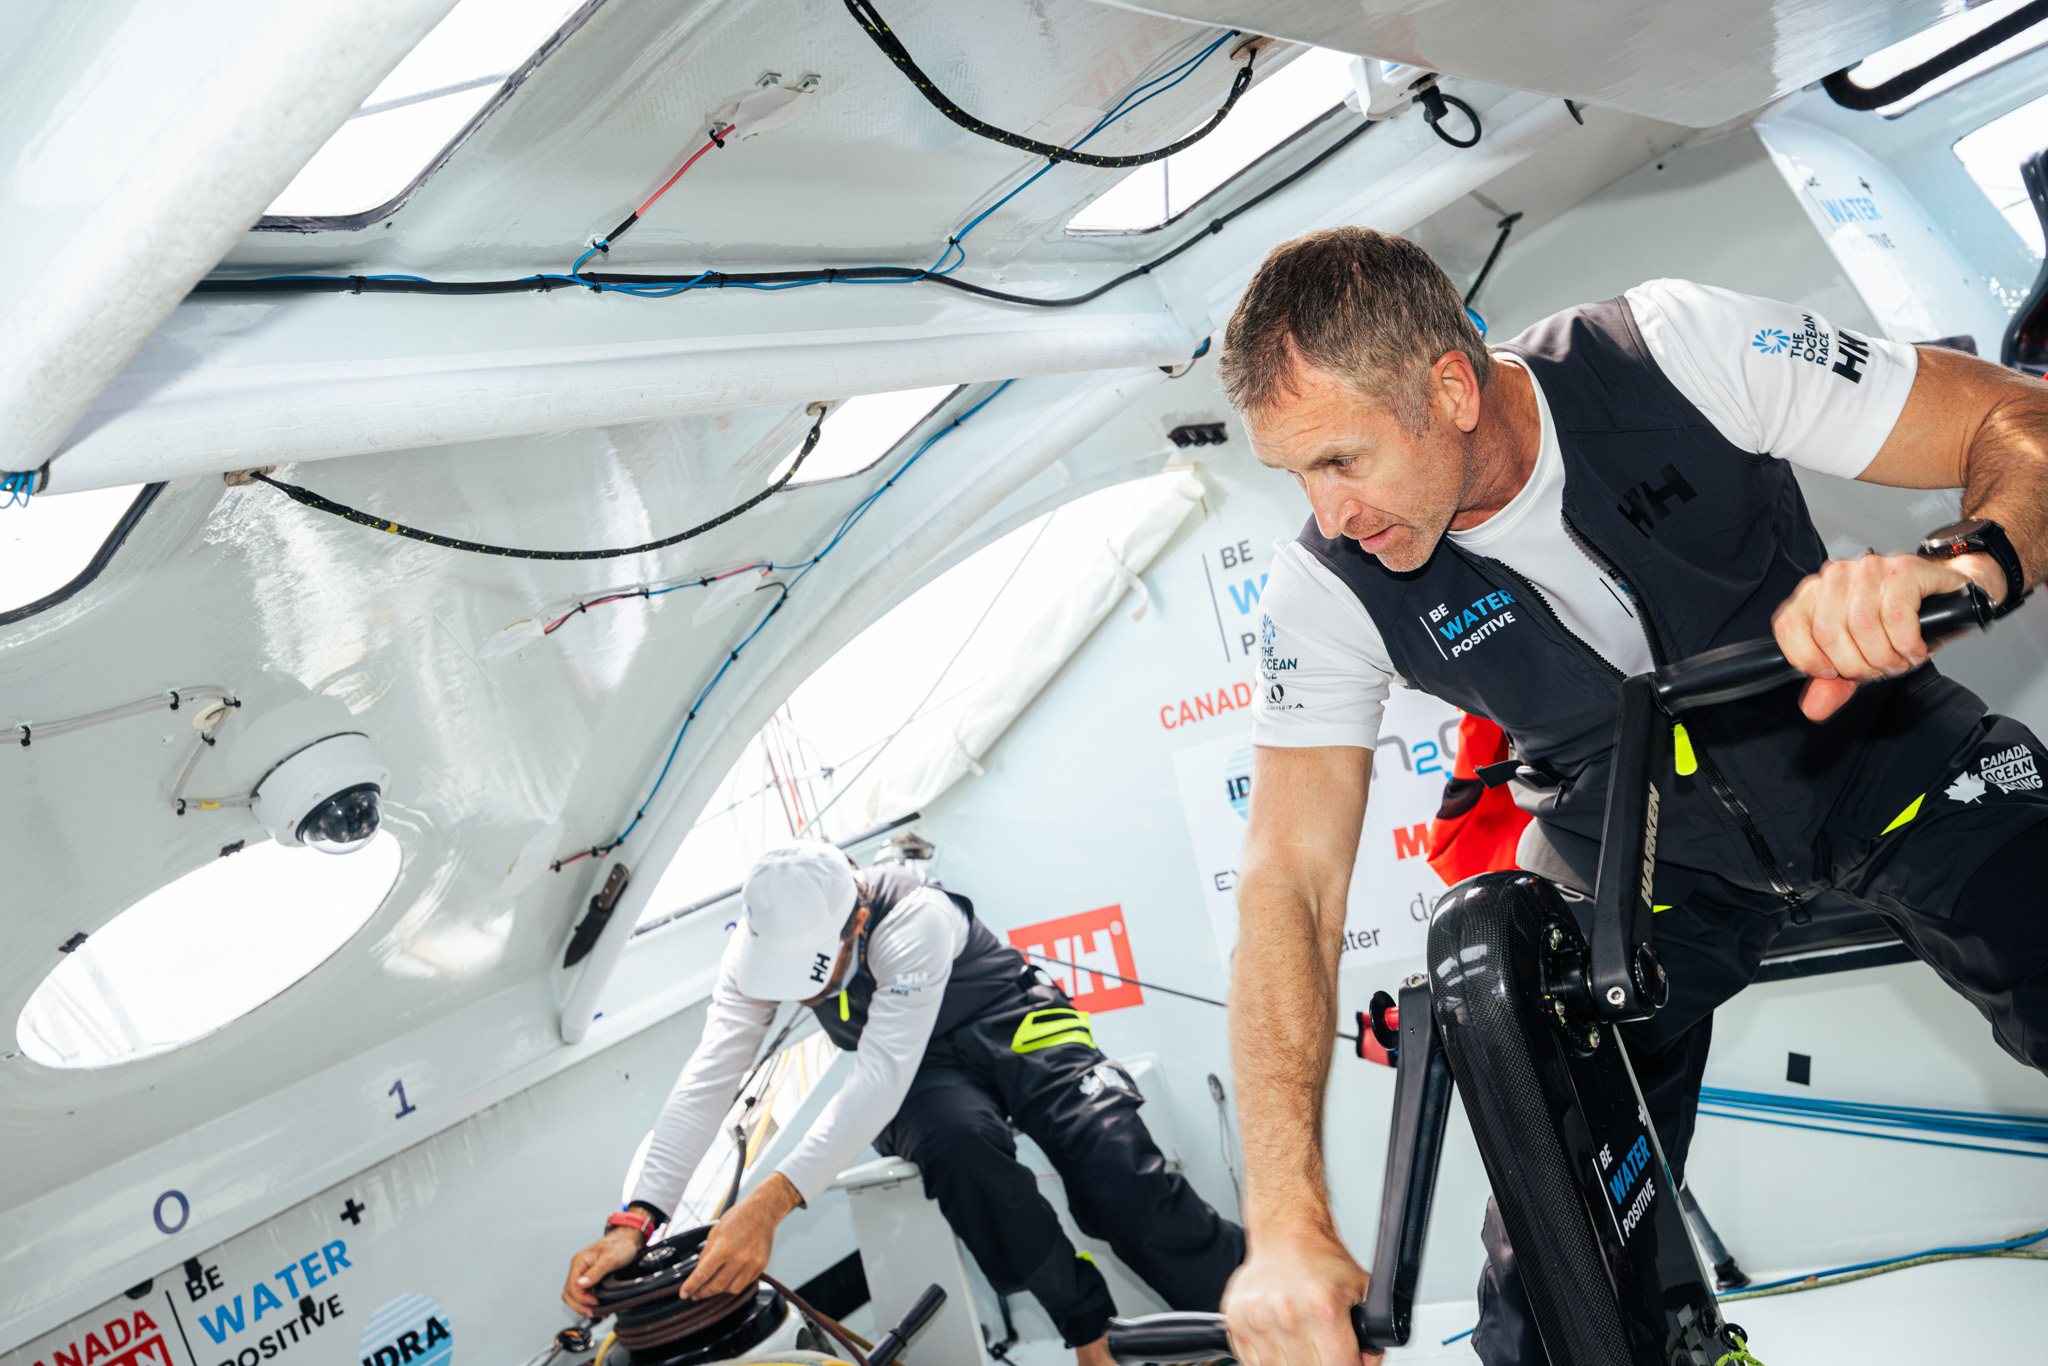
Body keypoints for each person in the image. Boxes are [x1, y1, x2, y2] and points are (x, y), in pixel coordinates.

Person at [1213, 227, 2048, 1366]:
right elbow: (1290, 884)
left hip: (1876, 757)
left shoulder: (1673, 351)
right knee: (1549, 1291)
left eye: (1342, 459)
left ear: (1451, 388)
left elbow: (2016, 418)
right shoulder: (1322, 592)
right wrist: (1283, 1224)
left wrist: (1961, 562)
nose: (1328, 511)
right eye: (1297, 474)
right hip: (1632, 855)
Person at [560, 842, 1243, 1365]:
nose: (801, 997)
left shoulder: (916, 917)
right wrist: (635, 1221)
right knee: (959, 1155)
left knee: (1117, 1176)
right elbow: (706, 1083)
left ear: (856, 922)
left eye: (814, 976)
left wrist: (767, 1206)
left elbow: (879, 1076)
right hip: (926, 1072)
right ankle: (1089, 1331)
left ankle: (1248, 1312)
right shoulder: (748, 958)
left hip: (1013, 1023)